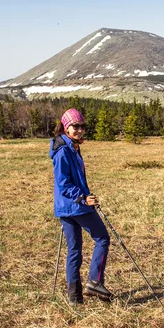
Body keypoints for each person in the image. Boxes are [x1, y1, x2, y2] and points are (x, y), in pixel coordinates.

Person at [50, 108, 112, 304]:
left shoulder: (72, 146)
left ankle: (75, 298)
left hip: (66, 207)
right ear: (66, 127)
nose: (79, 130)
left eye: (82, 126)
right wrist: (83, 198)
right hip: (74, 206)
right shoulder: (63, 151)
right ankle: (94, 281)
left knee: (74, 249)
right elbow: (64, 183)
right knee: (102, 237)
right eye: (75, 126)